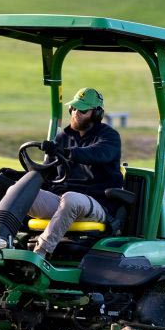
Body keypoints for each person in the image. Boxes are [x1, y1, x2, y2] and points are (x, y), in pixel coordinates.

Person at [29, 87, 123, 259]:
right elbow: (46, 174)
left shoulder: (109, 137)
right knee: (18, 191)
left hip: (97, 204)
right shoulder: (62, 137)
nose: (75, 113)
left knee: (71, 198)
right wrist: (18, 177)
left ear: (96, 114)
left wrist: (66, 152)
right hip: (60, 201)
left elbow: (97, 153)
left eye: (82, 110)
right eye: (73, 108)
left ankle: (40, 254)